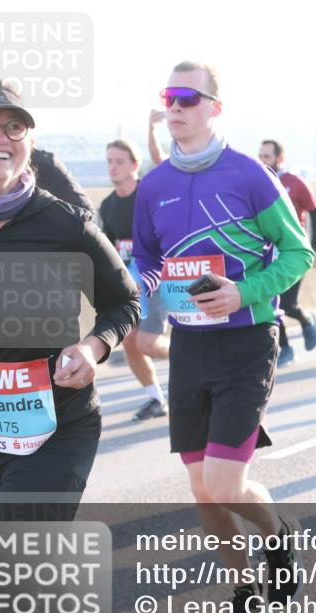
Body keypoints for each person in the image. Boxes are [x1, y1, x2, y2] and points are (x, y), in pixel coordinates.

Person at [0, 79, 139, 613]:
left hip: (58, 423)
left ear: (29, 141)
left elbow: (123, 303)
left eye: (14, 126)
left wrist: (94, 347)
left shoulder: (65, 224)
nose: (0, 138)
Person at [132, 61, 314, 613]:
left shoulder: (250, 175)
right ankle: (245, 591)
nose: (175, 106)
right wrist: (138, 286)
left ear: (215, 107)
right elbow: (148, 258)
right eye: (169, 97)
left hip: (246, 342)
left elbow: (298, 253)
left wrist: (244, 291)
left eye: (188, 97)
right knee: (201, 489)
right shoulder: (154, 184)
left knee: (225, 485)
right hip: (189, 345)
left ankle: (280, 537)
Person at [100, 139, 171, 420]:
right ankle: (156, 398)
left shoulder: (149, 194)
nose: (113, 167)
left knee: (147, 344)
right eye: (109, 161)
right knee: (129, 340)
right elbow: (109, 249)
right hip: (131, 284)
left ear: (135, 165)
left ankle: (194, 356)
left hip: (160, 278)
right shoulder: (107, 205)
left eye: (119, 161)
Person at [258, 139, 316, 367]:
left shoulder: (295, 183)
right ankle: (285, 349)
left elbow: (315, 213)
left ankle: (306, 319)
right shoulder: (258, 182)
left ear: (280, 158)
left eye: (267, 156)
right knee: (271, 302)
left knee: (287, 304)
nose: (262, 161)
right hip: (267, 251)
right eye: (260, 156)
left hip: (294, 251)